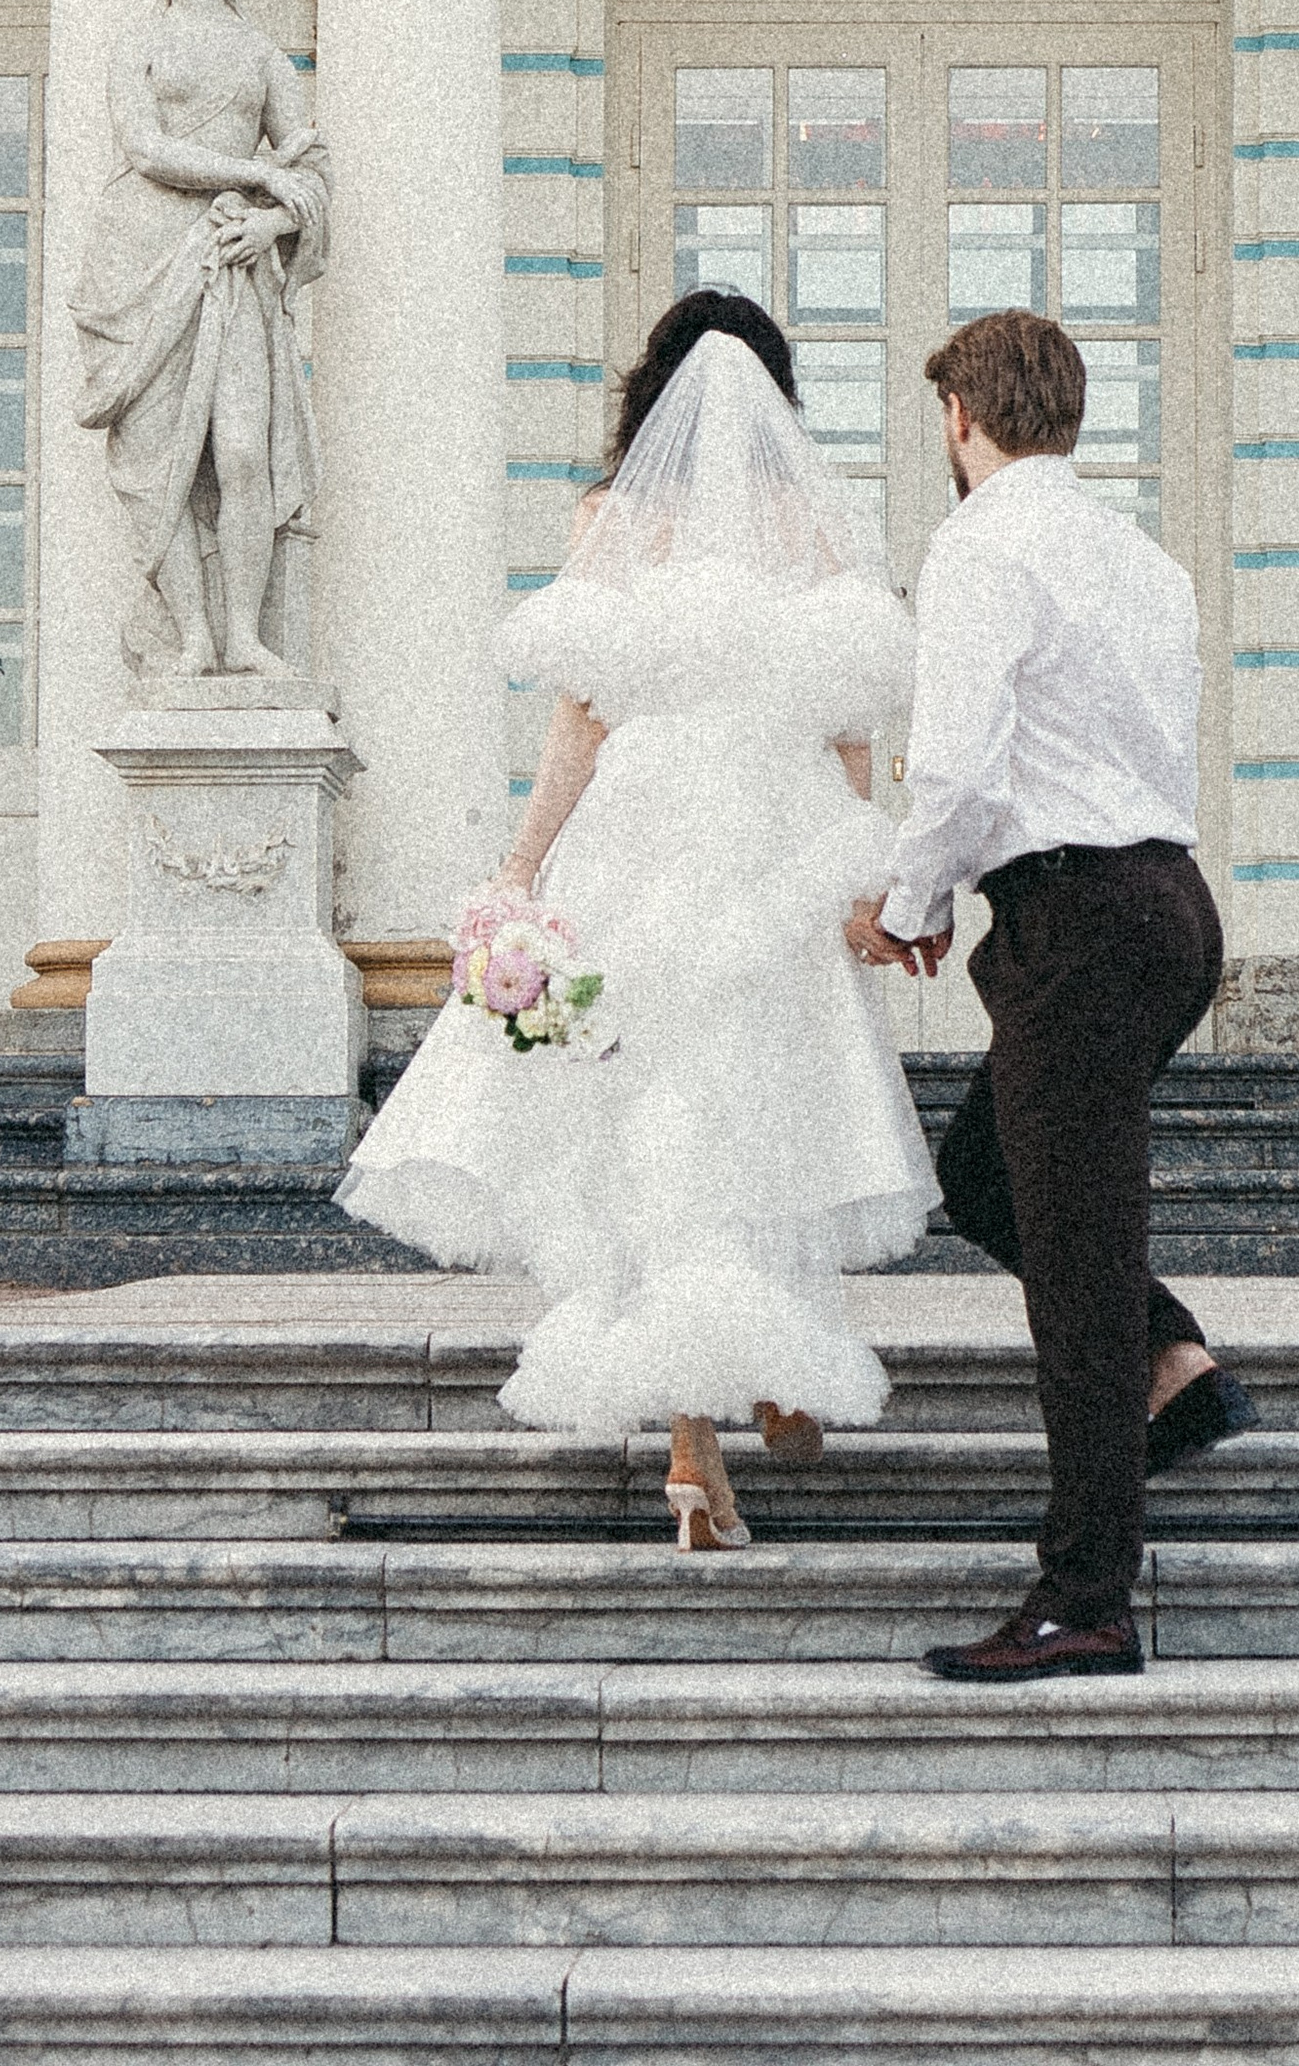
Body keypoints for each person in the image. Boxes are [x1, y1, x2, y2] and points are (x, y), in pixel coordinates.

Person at [337, 291, 936, 1548]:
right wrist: (861, 878)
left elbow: (578, 721)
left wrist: (519, 872)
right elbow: (848, 730)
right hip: (767, 842)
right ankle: (743, 1387)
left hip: (638, 835)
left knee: (652, 1120)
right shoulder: (813, 521)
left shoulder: (610, 519)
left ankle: (703, 1437)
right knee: (757, 1108)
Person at [847, 308, 1250, 1682]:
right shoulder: (1140, 556)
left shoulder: (982, 544)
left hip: (1078, 918)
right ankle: (1173, 1369)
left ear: (965, 419)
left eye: (941, 422)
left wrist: (907, 905)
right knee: (989, 1181)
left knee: (1071, 1270)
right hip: (1164, 905)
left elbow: (955, 765)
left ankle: (1086, 1598)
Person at [70, 0, 329, 689]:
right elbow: (146, 149)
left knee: (243, 451)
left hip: (231, 259)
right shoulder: (137, 44)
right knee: (161, 465)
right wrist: (256, 174)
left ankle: (244, 635)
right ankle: (192, 639)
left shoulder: (261, 57)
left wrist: (271, 226)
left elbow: (313, 169)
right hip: (140, 257)